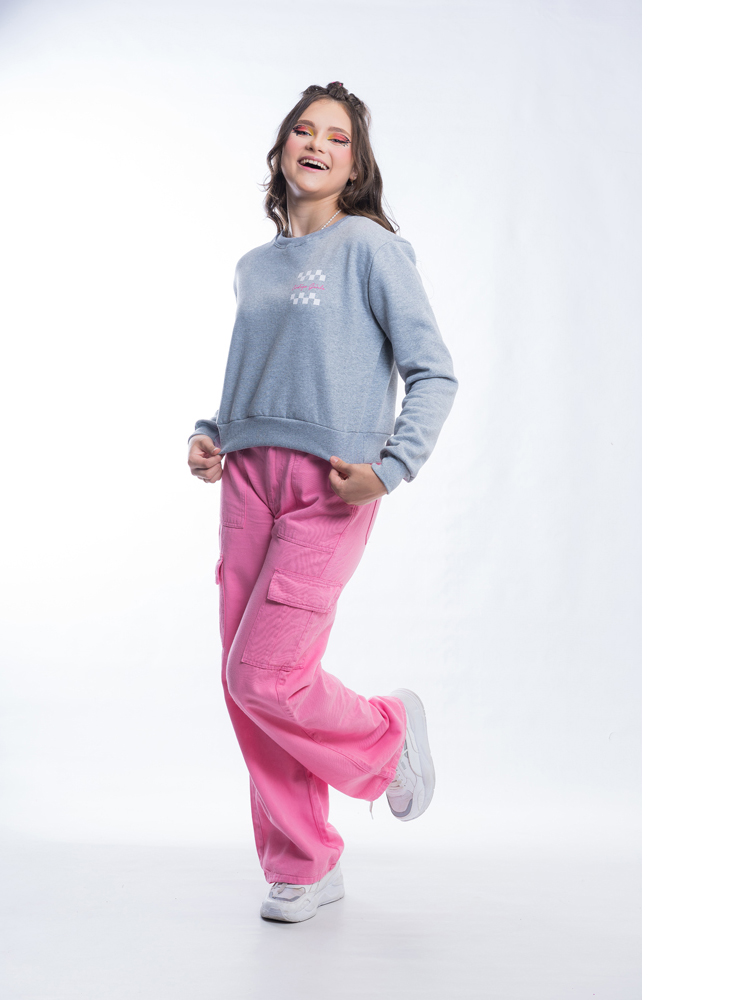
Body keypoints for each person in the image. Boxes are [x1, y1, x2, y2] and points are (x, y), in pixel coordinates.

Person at [186, 81, 458, 923]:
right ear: (280, 151)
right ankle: (305, 863)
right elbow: (256, 372)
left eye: (337, 138)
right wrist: (211, 432)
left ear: (355, 165)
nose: (316, 144)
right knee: (247, 684)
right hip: (246, 479)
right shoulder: (254, 267)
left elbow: (434, 372)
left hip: (331, 486)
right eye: (303, 130)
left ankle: (386, 735)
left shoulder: (370, 248)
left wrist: (393, 466)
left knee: (265, 673)